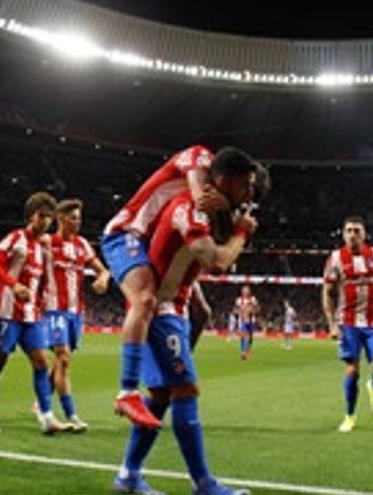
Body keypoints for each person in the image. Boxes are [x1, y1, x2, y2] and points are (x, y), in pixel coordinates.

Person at [113, 146, 258, 495]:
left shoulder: (207, 209)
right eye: (246, 186)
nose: (249, 195)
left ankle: (129, 476)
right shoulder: (190, 206)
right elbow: (217, 262)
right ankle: (203, 483)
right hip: (156, 293)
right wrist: (241, 233)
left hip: (176, 302)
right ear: (224, 180)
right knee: (184, 388)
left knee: (163, 394)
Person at [102, 145, 230, 429]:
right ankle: (127, 391)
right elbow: (200, 197)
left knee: (202, 312)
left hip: (151, 245)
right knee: (146, 300)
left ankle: (175, 367)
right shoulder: (200, 157)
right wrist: (219, 204)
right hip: (127, 234)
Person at [0, 192, 68, 435]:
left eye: (49, 218)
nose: (46, 222)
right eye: (42, 216)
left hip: (31, 316)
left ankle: (47, 416)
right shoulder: (15, 238)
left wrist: (40, 303)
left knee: (41, 362)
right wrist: (13, 284)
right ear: (31, 216)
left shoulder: (43, 247)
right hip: (7, 313)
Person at [41, 198, 111, 432]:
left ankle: (41, 402)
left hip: (76, 312)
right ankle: (71, 415)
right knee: (64, 359)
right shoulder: (48, 243)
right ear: (60, 219)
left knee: (60, 362)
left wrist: (102, 278)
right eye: (73, 218)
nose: (78, 222)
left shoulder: (82, 245)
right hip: (54, 310)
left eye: (79, 218)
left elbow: (102, 269)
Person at [322, 216, 373, 433]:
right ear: (343, 234)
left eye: (357, 231)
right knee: (352, 371)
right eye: (349, 230)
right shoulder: (335, 259)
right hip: (348, 323)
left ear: (364, 234)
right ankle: (350, 416)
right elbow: (327, 292)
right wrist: (332, 324)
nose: (353, 234)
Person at [234, 286, 259, 360]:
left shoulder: (252, 299)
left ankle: (248, 349)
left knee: (250, 336)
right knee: (243, 335)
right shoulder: (239, 300)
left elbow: (257, 309)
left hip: (251, 320)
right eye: (243, 290)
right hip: (242, 320)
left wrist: (252, 309)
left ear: (249, 291)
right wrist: (240, 312)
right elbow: (236, 309)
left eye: (246, 290)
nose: (244, 292)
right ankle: (243, 352)